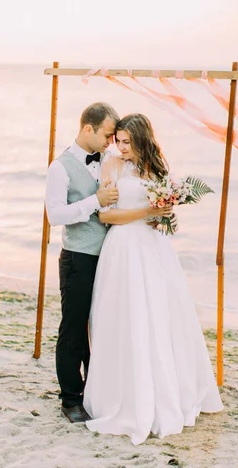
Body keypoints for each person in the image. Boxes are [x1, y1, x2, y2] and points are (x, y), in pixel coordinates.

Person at [83, 113, 223, 445]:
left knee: (161, 316)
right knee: (124, 317)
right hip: (122, 248)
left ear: (143, 139)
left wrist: (165, 214)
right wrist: (148, 212)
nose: (120, 147)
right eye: (117, 140)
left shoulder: (158, 170)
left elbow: (164, 213)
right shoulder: (111, 166)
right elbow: (105, 215)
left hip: (154, 249)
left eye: (127, 142)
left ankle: (166, 389)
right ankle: (122, 395)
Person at [45, 102, 120, 423]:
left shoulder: (112, 161)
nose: (111, 142)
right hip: (78, 259)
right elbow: (55, 215)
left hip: (113, 259)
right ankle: (71, 399)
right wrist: (95, 202)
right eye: (107, 135)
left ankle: (96, 392)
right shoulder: (59, 168)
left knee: (103, 328)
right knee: (74, 330)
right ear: (88, 128)